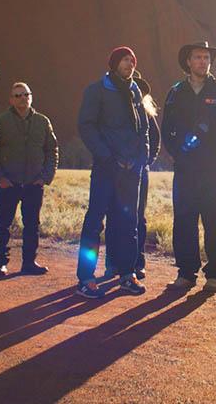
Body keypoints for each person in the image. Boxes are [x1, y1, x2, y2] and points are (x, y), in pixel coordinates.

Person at [162, 41, 216, 293]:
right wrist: (177, 153)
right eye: (197, 57)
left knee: (214, 219)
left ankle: (215, 273)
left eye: (206, 57)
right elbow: (167, 128)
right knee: (184, 219)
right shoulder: (176, 92)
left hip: (213, 167)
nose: (202, 62)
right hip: (185, 168)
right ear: (188, 61)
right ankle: (186, 273)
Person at [75, 47, 150, 298]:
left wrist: (142, 157)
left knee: (129, 223)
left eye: (132, 60)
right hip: (107, 168)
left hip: (131, 171)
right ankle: (86, 278)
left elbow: (144, 128)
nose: (130, 63)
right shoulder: (97, 90)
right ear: (114, 63)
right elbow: (86, 126)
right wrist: (106, 156)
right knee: (95, 221)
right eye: (125, 60)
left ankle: (127, 274)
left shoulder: (135, 90)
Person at [0, 82, 58, 277]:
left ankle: (29, 262)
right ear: (11, 99)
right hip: (9, 182)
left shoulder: (42, 121)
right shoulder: (1, 121)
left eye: (25, 94)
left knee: (32, 225)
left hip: (33, 182)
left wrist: (45, 177)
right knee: (3, 224)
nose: (22, 98)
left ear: (31, 97)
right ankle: (0, 263)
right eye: (17, 95)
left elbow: (52, 150)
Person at [132, 73, 161, 279]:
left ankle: (138, 261)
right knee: (117, 217)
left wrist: (147, 161)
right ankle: (114, 262)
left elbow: (156, 140)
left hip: (141, 171)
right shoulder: (116, 112)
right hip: (118, 171)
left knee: (138, 217)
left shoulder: (147, 114)